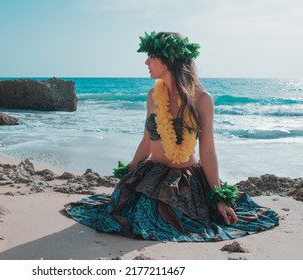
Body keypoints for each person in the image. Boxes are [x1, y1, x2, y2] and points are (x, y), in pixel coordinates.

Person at [65, 31, 279, 241]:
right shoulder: (153, 96)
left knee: (175, 221)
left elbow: (207, 151)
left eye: (152, 56)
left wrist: (218, 197)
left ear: (168, 59)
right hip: (151, 176)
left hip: (186, 180)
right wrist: (129, 172)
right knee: (135, 215)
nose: (146, 62)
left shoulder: (202, 99)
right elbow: (147, 141)